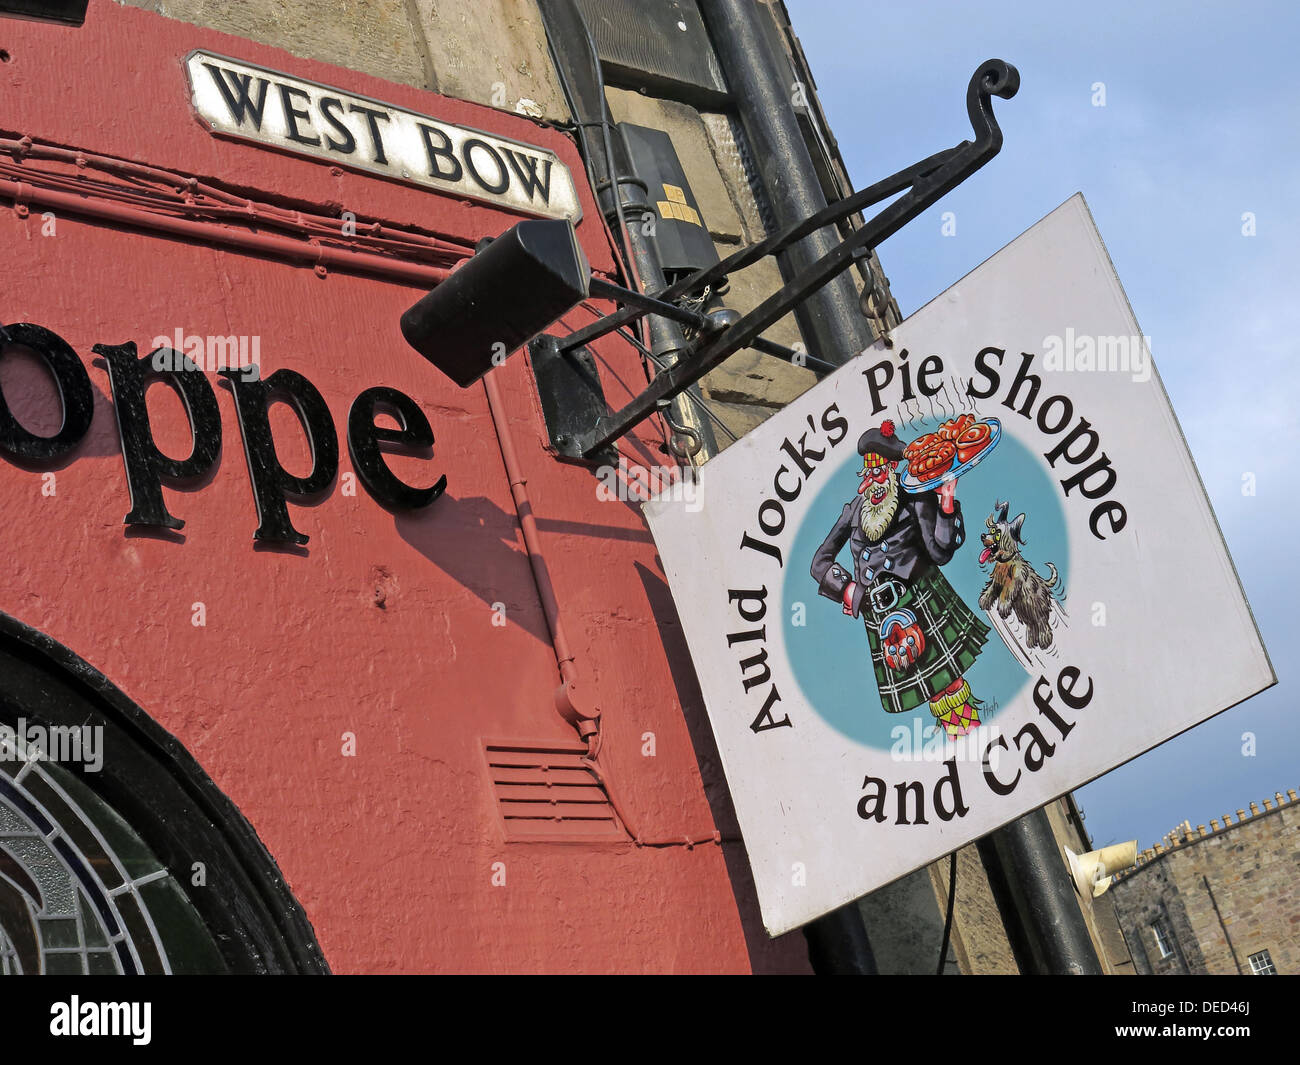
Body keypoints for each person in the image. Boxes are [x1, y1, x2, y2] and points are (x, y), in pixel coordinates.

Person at [810, 420, 989, 736]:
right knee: (932, 689)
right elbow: (820, 562)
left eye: (878, 472)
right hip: (880, 618)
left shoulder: (915, 497)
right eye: (868, 473)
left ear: (893, 467)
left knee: (948, 681)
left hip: (921, 599)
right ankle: (957, 741)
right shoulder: (854, 510)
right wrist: (849, 590)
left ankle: (969, 739)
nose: (872, 480)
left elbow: (940, 553)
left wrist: (946, 506)